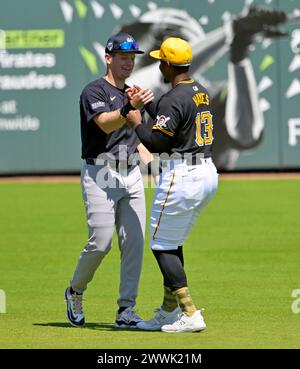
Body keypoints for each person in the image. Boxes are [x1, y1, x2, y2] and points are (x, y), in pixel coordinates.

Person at [120, 5, 288, 170]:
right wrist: (233, 30)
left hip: (202, 185)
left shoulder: (212, 93)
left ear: (162, 36)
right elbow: (156, 80)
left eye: (138, 35)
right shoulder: (132, 86)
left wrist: (239, 56)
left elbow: (246, 137)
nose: (131, 48)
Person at [126, 37, 218, 332]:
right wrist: (152, 106)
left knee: (161, 244)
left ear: (167, 64)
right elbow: (176, 122)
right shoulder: (198, 90)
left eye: (160, 60)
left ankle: (189, 312)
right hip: (207, 173)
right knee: (172, 241)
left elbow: (155, 142)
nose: (159, 65)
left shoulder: (173, 98)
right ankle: (168, 312)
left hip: (183, 175)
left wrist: (135, 120)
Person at [65, 32, 154, 328]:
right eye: (123, 57)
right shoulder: (94, 91)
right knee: (100, 243)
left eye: (132, 58)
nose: (129, 63)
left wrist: (155, 164)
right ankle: (75, 291)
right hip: (100, 174)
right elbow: (105, 124)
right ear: (108, 58)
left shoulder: (130, 93)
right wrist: (130, 108)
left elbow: (134, 138)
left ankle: (126, 310)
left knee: (135, 244)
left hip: (130, 173)